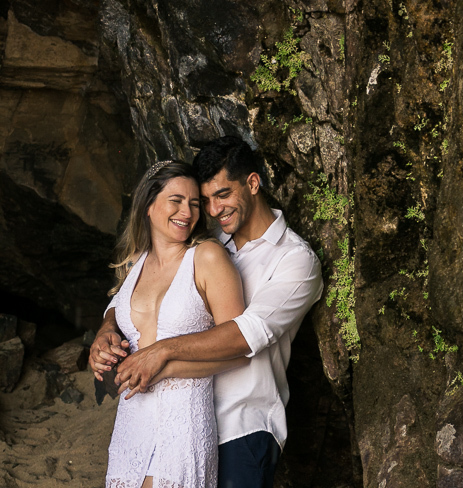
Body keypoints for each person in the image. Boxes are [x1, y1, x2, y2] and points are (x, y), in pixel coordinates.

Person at [90, 137, 324, 488]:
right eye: (207, 201)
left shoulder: (295, 260)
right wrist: (106, 327)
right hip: (178, 417)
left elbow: (247, 332)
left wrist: (161, 352)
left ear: (253, 183)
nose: (213, 210)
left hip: (241, 423)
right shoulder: (209, 238)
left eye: (223, 195)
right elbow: (142, 290)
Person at [101, 159, 247, 488]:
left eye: (194, 204)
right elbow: (117, 308)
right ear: (149, 205)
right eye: (176, 201)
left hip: (183, 424)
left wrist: (165, 364)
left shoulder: (207, 258)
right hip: (131, 420)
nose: (187, 212)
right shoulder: (137, 261)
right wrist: (105, 332)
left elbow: (241, 350)